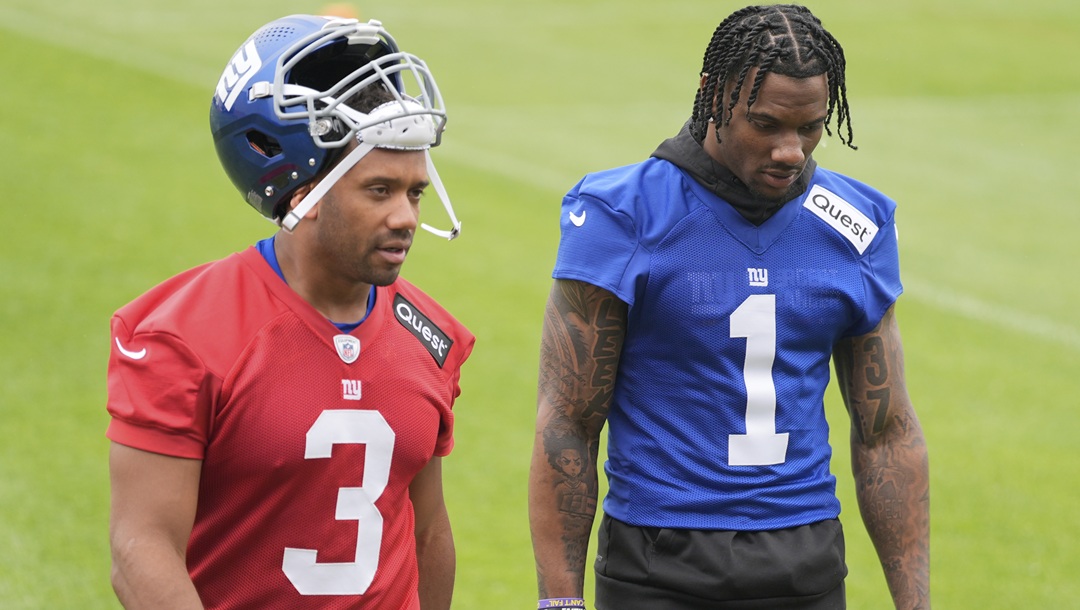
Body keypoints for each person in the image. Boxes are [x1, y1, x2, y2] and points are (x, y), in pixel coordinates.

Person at [528, 4, 929, 609]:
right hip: (656, 569)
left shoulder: (856, 226)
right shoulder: (622, 214)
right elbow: (567, 424)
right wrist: (560, 603)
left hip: (807, 567)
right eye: (766, 125)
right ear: (713, 93)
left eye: (810, 127)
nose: (791, 151)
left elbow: (886, 432)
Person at [106, 14, 473, 610]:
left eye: (415, 192)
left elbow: (428, 531)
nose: (406, 218)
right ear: (303, 194)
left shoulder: (431, 336)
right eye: (379, 190)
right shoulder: (182, 336)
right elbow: (140, 549)